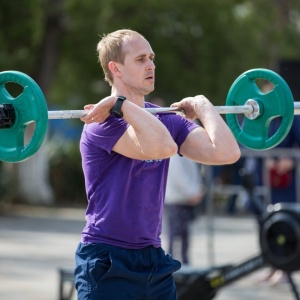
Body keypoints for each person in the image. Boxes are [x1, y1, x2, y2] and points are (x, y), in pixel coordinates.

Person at [75, 29, 240, 300]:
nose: (151, 65)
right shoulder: (100, 123)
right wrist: (122, 106)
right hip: (107, 259)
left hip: (153, 260)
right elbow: (163, 147)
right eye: (141, 59)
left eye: (151, 58)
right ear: (115, 68)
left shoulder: (166, 119)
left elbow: (226, 152)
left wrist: (201, 105)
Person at [165, 152, 203, 265]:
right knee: (175, 237)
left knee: (183, 236)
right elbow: (178, 175)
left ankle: (183, 264)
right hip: (177, 199)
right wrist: (193, 192)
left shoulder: (182, 149)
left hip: (183, 198)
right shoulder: (175, 153)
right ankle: (172, 265)